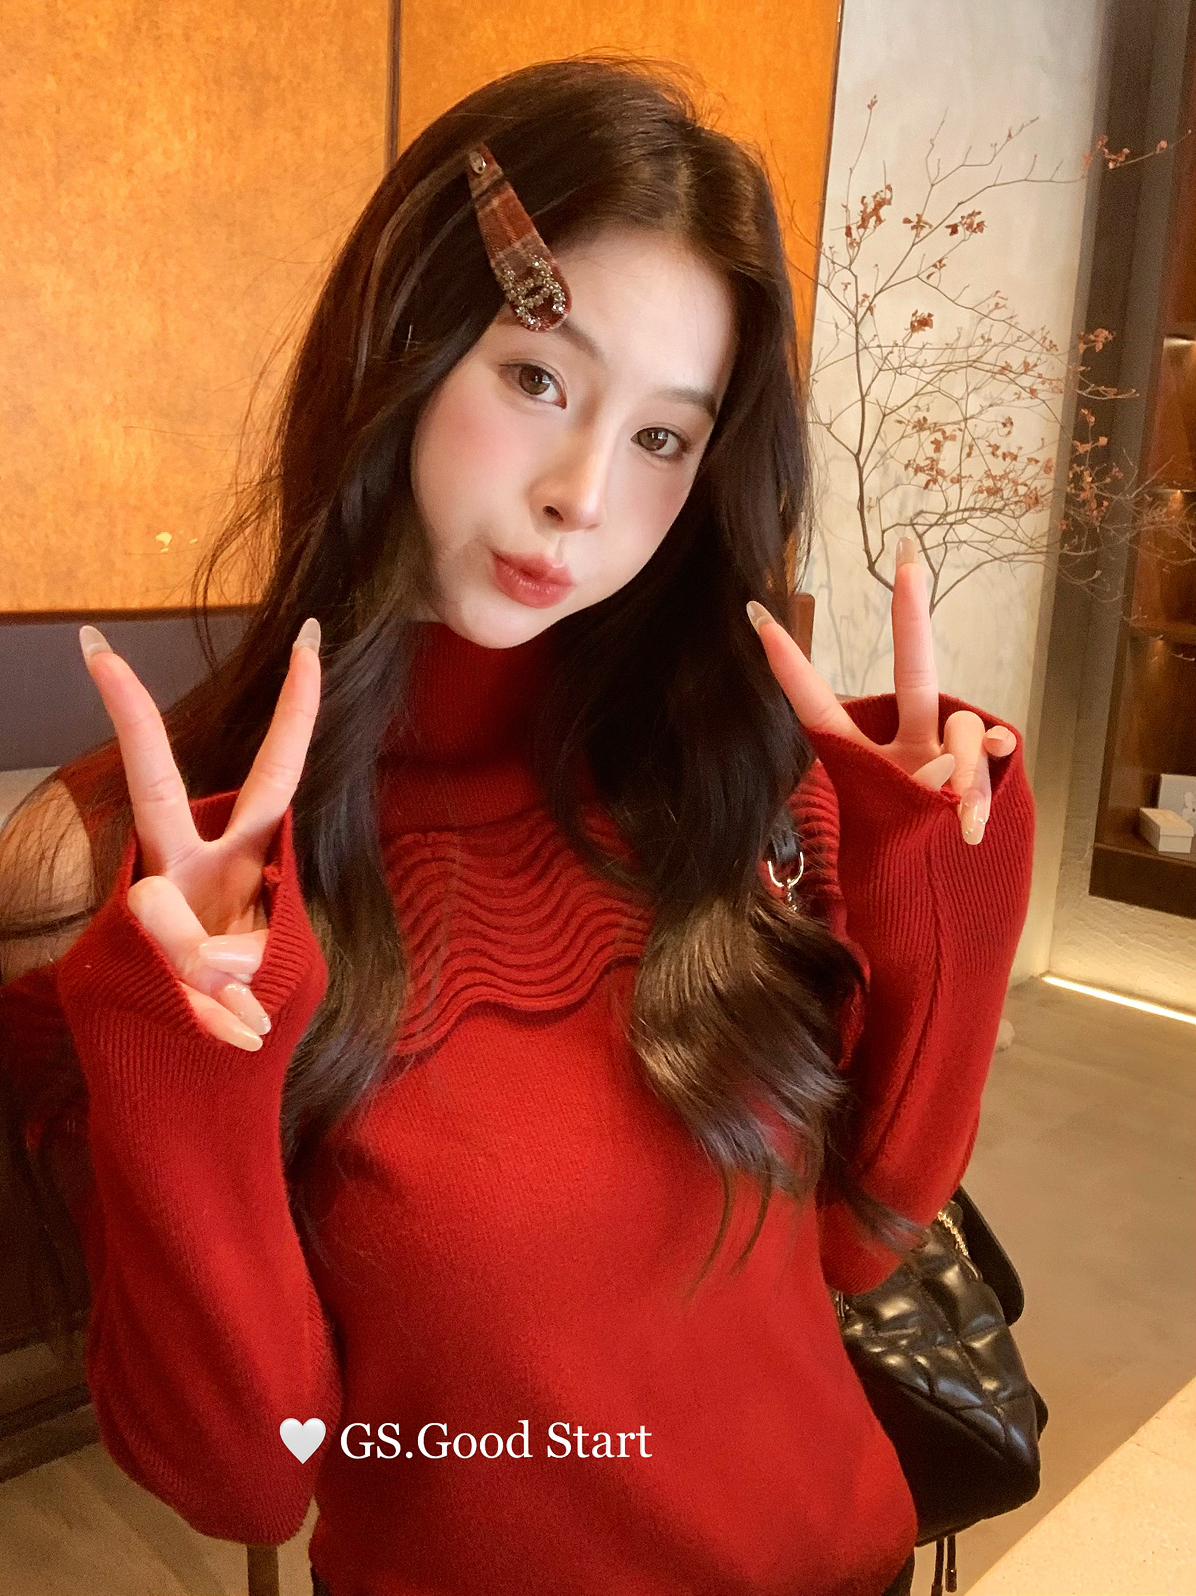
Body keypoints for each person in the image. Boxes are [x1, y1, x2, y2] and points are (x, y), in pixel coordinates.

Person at [0, 54, 1035, 1596]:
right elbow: (246, 1478)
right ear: (401, 346)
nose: (583, 495)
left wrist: (939, 886)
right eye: (538, 377)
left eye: (665, 438)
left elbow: (866, 1236)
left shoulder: (744, 785)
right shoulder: (153, 872)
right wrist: (186, 1059)